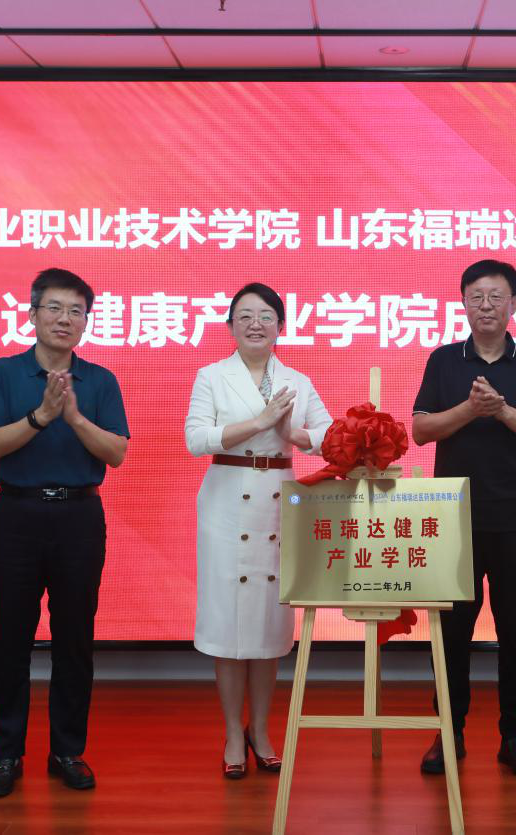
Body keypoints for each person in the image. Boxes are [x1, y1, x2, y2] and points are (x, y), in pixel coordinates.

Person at [0, 268, 129, 798]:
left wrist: (75, 418)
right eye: (55, 308)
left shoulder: (100, 381)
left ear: (86, 322)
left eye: (76, 311)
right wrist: (41, 415)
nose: (65, 319)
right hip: (15, 516)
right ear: (33, 313)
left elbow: (117, 453)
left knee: (75, 639)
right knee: (10, 638)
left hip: (79, 517)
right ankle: (6, 754)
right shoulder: (1, 373)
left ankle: (67, 750)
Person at [411, 259, 516, 781]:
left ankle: (515, 736)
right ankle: (448, 731)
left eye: (496, 297)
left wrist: (502, 411)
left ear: (514, 304)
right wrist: (470, 410)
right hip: (454, 519)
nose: (486, 306)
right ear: (463, 303)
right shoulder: (443, 360)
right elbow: (421, 430)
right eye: (476, 296)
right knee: (452, 631)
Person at [184, 282, 333, 779]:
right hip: (226, 502)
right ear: (230, 325)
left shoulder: (298, 380)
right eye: (245, 315)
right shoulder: (211, 376)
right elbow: (195, 439)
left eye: (266, 315)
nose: (255, 324)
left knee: (270, 623)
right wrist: (259, 421)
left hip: (277, 501)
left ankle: (262, 729)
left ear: (281, 327)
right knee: (228, 622)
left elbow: (329, 437)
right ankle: (233, 731)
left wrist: (292, 433)